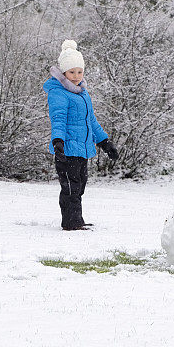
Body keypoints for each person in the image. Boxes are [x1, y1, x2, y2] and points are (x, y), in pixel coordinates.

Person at [42, 40, 120, 231]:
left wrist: (104, 142)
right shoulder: (58, 93)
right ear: (63, 73)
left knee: (80, 185)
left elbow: (91, 121)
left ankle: (77, 219)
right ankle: (71, 222)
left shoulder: (82, 93)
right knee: (71, 187)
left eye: (79, 72)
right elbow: (58, 119)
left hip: (82, 149)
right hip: (67, 149)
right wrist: (58, 141)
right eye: (72, 72)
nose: (76, 76)